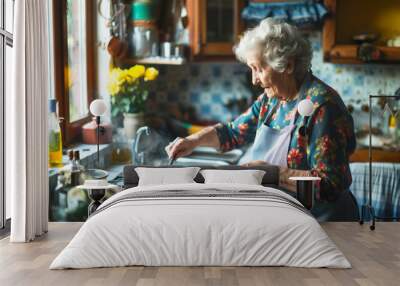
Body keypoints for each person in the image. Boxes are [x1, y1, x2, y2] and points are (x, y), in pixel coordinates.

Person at [165, 18, 358, 221]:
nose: (254, 79)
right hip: (292, 216)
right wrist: (193, 141)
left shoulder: (322, 107)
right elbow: (232, 132)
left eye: (258, 69)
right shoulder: (271, 100)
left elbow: (330, 184)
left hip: (326, 223)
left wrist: (273, 174)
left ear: (288, 65)